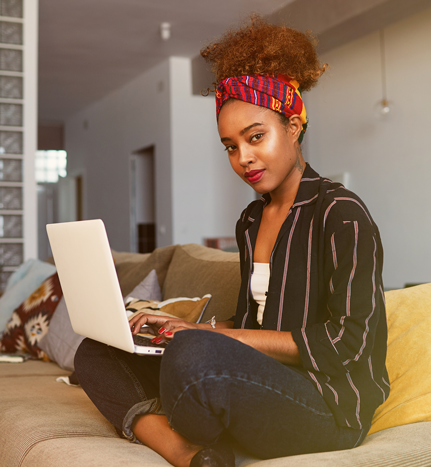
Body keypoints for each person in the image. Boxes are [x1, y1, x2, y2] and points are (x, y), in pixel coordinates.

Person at [75, 16, 390, 467]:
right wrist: (168, 328)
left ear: (294, 126)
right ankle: (187, 451)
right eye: (230, 146)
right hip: (259, 382)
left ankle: (183, 429)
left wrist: (207, 340)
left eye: (255, 137)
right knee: (96, 351)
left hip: (327, 405)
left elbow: (347, 343)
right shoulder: (250, 220)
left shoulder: (341, 214)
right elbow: (252, 323)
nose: (243, 158)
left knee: (194, 354)